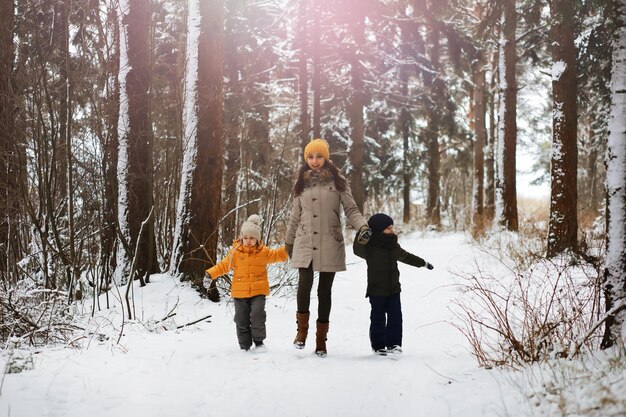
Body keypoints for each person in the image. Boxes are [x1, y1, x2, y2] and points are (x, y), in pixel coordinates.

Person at [285, 138, 372, 357]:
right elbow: (295, 216)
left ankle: (321, 339)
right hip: (305, 241)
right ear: (306, 159)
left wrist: (362, 227)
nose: (315, 161)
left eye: (319, 156)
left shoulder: (338, 182)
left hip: (329, 241)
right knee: (304, 285)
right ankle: (301, 332)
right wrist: (289, 241)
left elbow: (351, 209)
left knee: (324, 291)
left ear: (326, 157)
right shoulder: (300, 184)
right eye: (311, 157)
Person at [353, 213, 434, 356]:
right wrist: (362, 233)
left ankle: (394, 344)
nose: (392, 231)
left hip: (394, 289)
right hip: (376, 290)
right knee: (377, 318)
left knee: (395, 317)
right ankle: (378, 346)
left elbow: (406, 256)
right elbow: (357, 249)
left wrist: (423, 263)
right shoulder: (369, 247)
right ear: (379, 230)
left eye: (392, 227)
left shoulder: (393, 245)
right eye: (388, 228)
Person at [204, 214, 288, 352]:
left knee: (257, 316)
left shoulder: (263, 252)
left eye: (252, 238)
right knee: (241, 320)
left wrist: (289, 246)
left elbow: (278, 255)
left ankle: (259, 343)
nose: (248, 241)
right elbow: (224, 265)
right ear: (242, 238)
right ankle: (244, 346)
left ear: (257, 239)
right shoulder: (235, 253)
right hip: (240, 292)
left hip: (258, 291)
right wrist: (210, 274)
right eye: (245, 238)